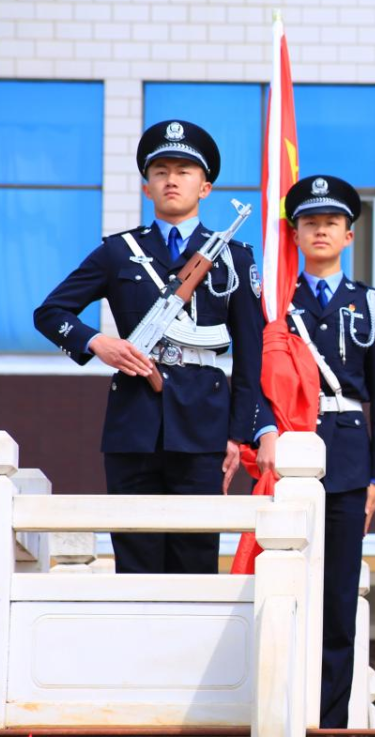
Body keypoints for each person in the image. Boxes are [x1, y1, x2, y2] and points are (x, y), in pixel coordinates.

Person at [34, 119, 277, 574]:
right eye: (161, 171)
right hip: (134, 423)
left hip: (204, 424)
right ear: (147, 187)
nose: (171, 180)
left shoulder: (234, 257)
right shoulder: (119, 252)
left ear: (205, 187)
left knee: (194, 560)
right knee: (136, 559)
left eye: (184, 171)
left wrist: (237, 435)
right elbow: (50, 312)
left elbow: (251, 354)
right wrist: (98, 343)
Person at [282, 174, 375, 728]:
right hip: (289, 453)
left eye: (331, 223)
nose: (321, 231)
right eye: (310, 223)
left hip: (349, 461)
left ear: (350, 236)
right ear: (295, 234)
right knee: (287, 586)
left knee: (339, 598)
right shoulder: (277, 300)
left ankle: (329, 722)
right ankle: (285, 707)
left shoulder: (371, 304)